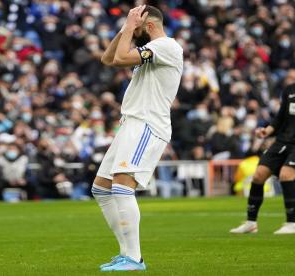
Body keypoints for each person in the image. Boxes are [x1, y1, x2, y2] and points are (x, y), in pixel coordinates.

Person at [90, 5, 183, 271]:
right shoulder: (151, 48)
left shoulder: (167, 46)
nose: (135, 33)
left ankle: (134, 257)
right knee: (101, 189)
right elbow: (108, 59)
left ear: (149, 26)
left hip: (147, 123)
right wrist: (125, 29)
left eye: (139, 28)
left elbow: (119, 60)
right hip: (130, 123)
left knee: (121, 186)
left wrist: (131, 29)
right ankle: (126, 254)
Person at [230, 49, 295, 235]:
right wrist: (266, 131)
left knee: (287, 175)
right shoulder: (290, 90)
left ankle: (291, 223)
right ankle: (251, 222)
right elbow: (280, 119)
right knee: (258, 176)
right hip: (282, 141)